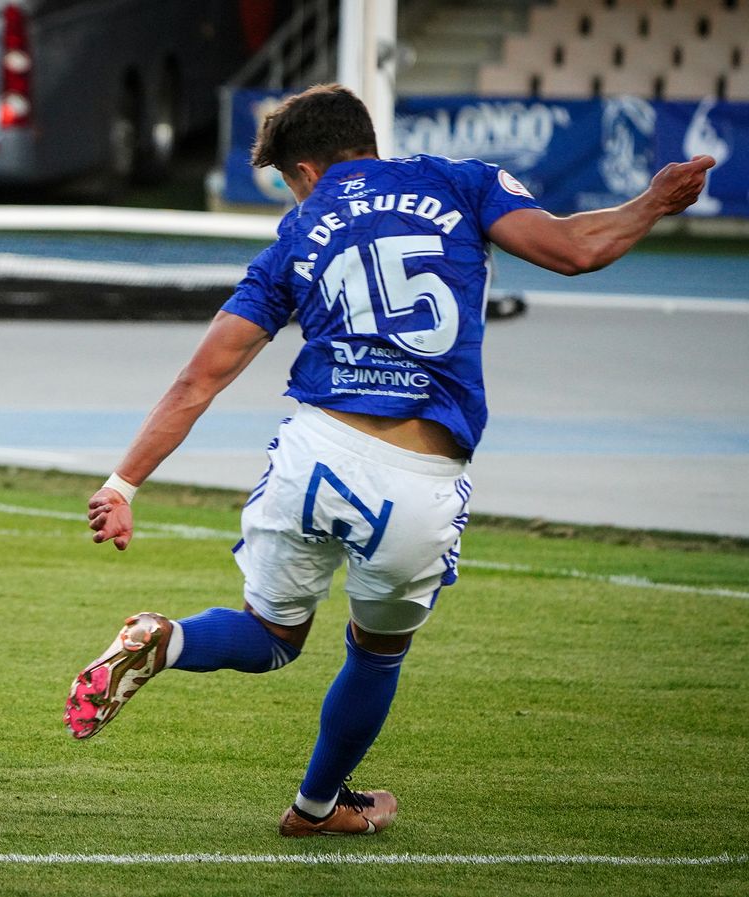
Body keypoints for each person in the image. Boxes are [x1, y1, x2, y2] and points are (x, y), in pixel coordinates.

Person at [63, 84, 713, 836]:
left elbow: (199, 377)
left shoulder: (295, 235)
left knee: (270, 636)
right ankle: (316, 806)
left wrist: (123, 483)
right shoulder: (460, 181)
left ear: (306, 168)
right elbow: (575, 249)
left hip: (315, 453)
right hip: (417, 472)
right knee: (375, 654)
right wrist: (654, 201)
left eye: (284, 180)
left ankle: (166, 639)